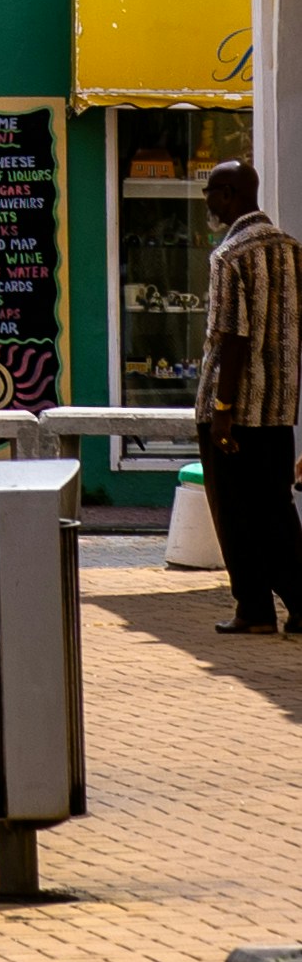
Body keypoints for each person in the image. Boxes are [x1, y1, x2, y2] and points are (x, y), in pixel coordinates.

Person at [195, 155, 302, 635]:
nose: (209, 202)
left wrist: (222, 410)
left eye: (212, 192)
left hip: (235, 414)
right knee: (276, 509)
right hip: (279, 409)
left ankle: (254, 608)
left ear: (232, 194)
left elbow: (232, 337)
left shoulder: (229, 254)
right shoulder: (292, 250)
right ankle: (298, 605)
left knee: (236, 514)